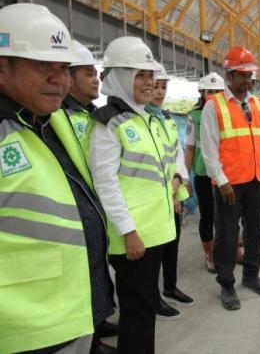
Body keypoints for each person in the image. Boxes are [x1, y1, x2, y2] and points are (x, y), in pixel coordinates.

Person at [0, 3, 114, 353]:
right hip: (28, 329)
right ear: (2, 68)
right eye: (42, 65)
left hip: (74, 311)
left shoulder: (52, 120)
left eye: (63, 67)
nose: (58, 78)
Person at [90, 36, 174, 354]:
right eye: (140, 75)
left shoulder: (146, 117)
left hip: (152, 232)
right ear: (121, 77)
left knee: (143, 310)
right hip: (133, 238)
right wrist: (129, 231)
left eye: (149, 76)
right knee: (138, 313)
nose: (148, 82)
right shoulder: (109, 122)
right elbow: (106, 183)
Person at [200, 46, 260, 310]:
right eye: (241, 75)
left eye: (250, 76)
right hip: (229, 185)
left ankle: (251, 276)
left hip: (255, 179)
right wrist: (221, 181)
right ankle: (227, 284)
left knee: (254, 231)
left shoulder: (256, 104)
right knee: (228, 236)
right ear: (228, 75)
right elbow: (209, 149)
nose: (247, 81)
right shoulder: (214, 107)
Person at [62, 40, 118, 354]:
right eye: (88, 73)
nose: (96, 79)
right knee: (84, 273)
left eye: (96, 73)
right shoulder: (62, 116)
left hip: (95, 202)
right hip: (77, 205)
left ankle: (99, 320)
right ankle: (91, 340)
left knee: (98, 267)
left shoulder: (92, 113)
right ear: (69, 79)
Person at [145, 68, 194, 320]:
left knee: (172, 246)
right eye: (155, 86)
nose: (160, 92)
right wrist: (172, 193)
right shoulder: (142, 120)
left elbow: (176, 153)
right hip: (159, 198)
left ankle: (170, 287)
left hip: (174, 192)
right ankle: (154, 297)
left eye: (164, 87)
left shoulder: (166, 119)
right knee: (157, 251)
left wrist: (182, 179)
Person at [185, 72, 226, 272]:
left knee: (227, 214)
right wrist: (185, 176)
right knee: (208, 215)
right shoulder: (194, 116)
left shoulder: (228, 112)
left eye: (218, 91)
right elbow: (190, 148)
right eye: (210, 91)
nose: (214, 95)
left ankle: (228, 248)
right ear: (202, 93)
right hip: (203, 173)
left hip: (226, 173)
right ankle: (209, 254)